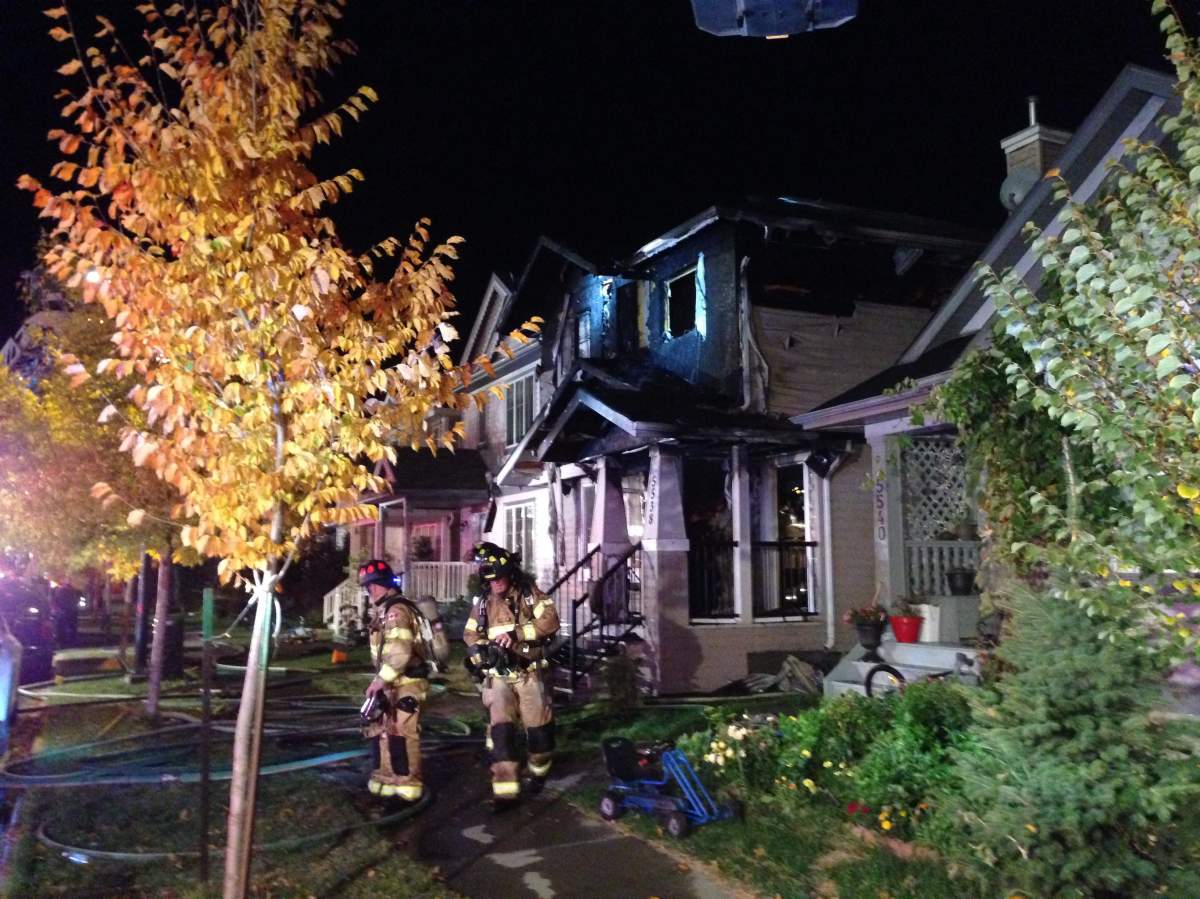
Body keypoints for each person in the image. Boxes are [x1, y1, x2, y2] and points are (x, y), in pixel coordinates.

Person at [464, 542, 560, 807]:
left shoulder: (530, 595)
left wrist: (517, 634)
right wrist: (480, 656)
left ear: (510, 574)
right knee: (502, 732)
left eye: (499, 578)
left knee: (539, 734)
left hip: (529, 674)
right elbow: (471, 634)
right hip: (499, 677)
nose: (495, 584)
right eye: (490, 580)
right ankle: (505, 792)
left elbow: (550, 620)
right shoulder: (483, 604)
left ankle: (538, 772)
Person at [359, 559, 431, 803]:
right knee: (383, 731)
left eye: (373, 586)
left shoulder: (396, 612)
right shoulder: (386, 611)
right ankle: (386, 777)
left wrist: (380, 681)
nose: (371, 592)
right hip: (393, 682)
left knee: (402, 732)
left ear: (384, 585)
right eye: (369, 588)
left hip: (407, 681)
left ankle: (409, 784)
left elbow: (400, 652)